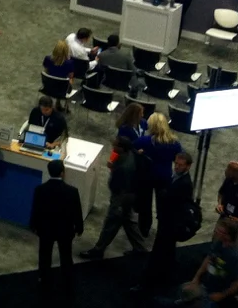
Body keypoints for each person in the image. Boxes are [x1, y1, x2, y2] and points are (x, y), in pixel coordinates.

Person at [80, 136, 148, 259]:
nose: (113, 147)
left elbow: (115, 185)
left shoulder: (123, 167)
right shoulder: (131, 154)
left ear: (121, 148)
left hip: (121, 198)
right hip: (130, 196)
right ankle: (140, 248)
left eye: (115, 145)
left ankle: (98, 250)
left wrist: (112, 168)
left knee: (111, 224)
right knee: (129, 222)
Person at [139, 152, 194, 295]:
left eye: (180, 165)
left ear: (188, 167)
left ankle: (150, 282)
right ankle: (164, 276)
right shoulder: (176, 177)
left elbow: (175, 203)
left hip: (170, 224)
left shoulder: (184, 184)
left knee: (160, 251)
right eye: (176, 163)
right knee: (166, 251)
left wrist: (164, 195)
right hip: (166, 221)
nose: (177, 167)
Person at [30, 160, 83, 294]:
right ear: (62, 173)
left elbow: (36, 210)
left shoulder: (40, 190)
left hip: (46, 229)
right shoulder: (72, 191)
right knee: (66, 255)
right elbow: (77, 211)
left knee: (44, 254)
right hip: (65, 230)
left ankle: (43, 277)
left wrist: (33, 225)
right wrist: (79, 227)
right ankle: (67, 279)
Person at [134, 113, 184, 237]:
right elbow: (180, 157)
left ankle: (144, 229)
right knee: (163, 205)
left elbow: (131, 148)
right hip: (165, 177)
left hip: (147, 177)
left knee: (145, 204)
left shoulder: (144, 141)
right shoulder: (174, 143)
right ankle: (162, 229)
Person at [185, 218, 238, 306]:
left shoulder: (237, 255)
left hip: (219, 293)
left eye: (220, 231)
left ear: (228, 235)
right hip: (208, 285)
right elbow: (209, 258)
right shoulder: (219, 242)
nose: (216, 232)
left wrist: (222, 295)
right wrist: (196, 279)